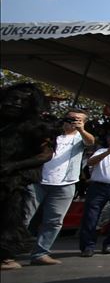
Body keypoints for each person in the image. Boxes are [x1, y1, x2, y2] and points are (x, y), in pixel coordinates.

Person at [22, 108, 96, 265]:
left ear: (84, 122)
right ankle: (6, 252)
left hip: (65, 184)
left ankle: (40, 254)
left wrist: (81, 129)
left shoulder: (81, 137)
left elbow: (90, 142)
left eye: (78, 119)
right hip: (38, 181)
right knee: (23, 217)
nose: (73, 121)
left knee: (54, 221)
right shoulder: (50, 133)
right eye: (70, 118)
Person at [0, 84, 57, 270]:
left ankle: (4, 256)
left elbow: (45, 155)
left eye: (22, 101)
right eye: (13, 99)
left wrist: (13, 166)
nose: (15, 104)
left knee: (9, 218)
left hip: (12, 182)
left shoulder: (37, 127)